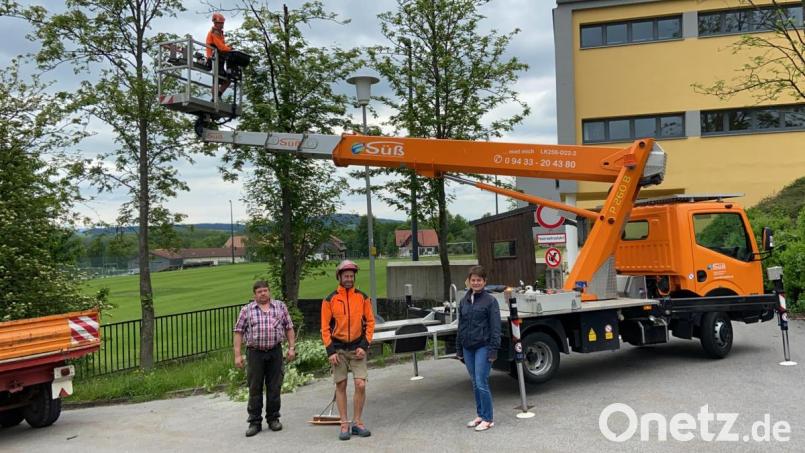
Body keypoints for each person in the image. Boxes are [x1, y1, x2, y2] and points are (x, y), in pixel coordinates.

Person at [320, 259, 375, 441]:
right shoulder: (330, 300)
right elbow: (325, 328)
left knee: (360, 384)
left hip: (357, 348)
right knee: (341, 385)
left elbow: (370, 322)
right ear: (340, 277)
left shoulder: (362, 297)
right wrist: (331, 352)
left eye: (351, 276)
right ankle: (344, 423)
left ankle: (357, 422)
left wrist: (364, 346)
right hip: (338, 349)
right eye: (346, 276)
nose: (349, 279)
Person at [233, 280, 296, 437]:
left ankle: (273, 418)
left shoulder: (280, 307)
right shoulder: (247, 310)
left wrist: (291, 348)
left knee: (275, 386)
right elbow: (238, 332)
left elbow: (289, 328)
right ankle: (254, 422)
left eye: (265, 290)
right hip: (255, 353)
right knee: (255, 387)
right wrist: (237, 355)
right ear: (254, 294)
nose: (263, 293)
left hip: (275, 351)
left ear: (269, 291)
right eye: (259, 291)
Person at [455, 265, 501, 432]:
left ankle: (488, 419)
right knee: (475, 382)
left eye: (479, 280)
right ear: (469, 281)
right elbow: (460, 326)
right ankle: (480, 415)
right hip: (468, 347)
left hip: (484, 346)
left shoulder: (490, 301)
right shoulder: (464, 301)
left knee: (482, 382)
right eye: (473, 280)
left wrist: (493, 350)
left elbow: (496, 328)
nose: (476, 283)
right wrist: (458, 348)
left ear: (484, 281)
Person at [206, 12, 232, 99]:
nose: (222, 25)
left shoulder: (220, 33)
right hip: (214, 57)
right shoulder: (214, 32)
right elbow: (220, 47)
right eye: (220, 23)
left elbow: (222, 46)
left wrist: (228, 48)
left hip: (220, 58)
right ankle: (214, 99)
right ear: (215, 23)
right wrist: (230, 49)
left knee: (227, 80)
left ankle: (218, 95)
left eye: (222, 23)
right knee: (216, 79)